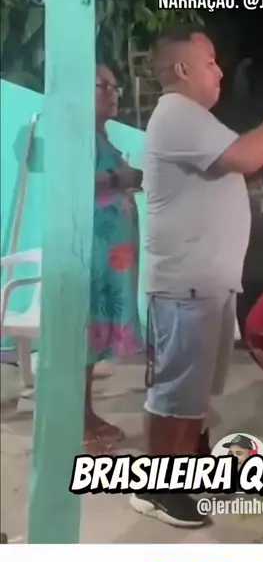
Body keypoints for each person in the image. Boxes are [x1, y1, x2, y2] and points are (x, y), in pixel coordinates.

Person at [131, 25, 263, 526]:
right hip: (186, 285)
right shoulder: (177, 114)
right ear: (182, 69)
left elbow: (239, 166)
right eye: (209, 61)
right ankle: (156, 490)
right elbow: (247, 155)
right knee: (175, 393)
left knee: (196, 392)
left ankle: (193, 467)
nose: (219, 70)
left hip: (208, 283)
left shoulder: (195, 120)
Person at [85, 64, 144, 452]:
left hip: (111, 257)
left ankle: (86, 413)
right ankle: (78, 418)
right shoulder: (76, 134)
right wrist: (122, 178)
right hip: (91, 253)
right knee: (84, 336)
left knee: (93, 341)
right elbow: (74, 180)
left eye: (115, 86)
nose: (113, 92)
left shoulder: (99, 135)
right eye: (103, 86)